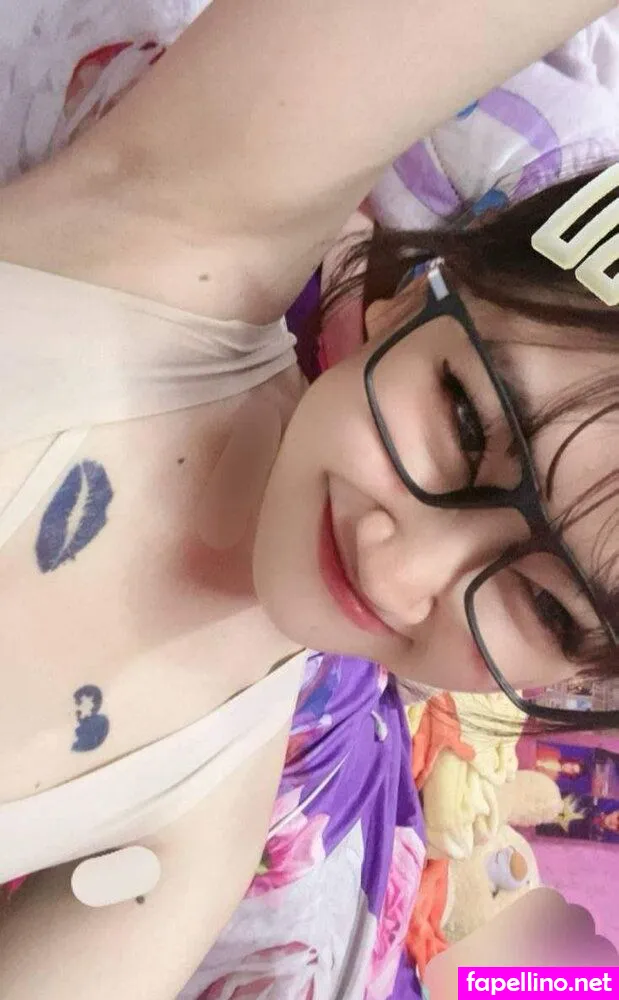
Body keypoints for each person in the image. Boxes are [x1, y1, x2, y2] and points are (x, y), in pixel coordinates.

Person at [0, 0, 618, 996]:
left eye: (546, 606)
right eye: (464, 420)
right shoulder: (173, 232)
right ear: (413, 295)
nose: (398, 569)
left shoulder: (196, 826)